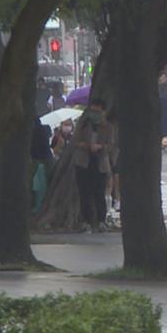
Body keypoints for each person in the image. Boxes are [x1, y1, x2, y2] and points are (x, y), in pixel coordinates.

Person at [71, 97, 112, 232]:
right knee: (84, 193)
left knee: (99, 192)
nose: (94, 114)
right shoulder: (83, 123)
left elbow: (112, 145)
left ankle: (101, 220)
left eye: (98, 111)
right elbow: (75, 141)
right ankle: (86, 221)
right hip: (83, 162)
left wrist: (100, 147)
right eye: (92, 110)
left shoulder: (107, 126)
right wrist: (87, 145)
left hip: (100, 162)